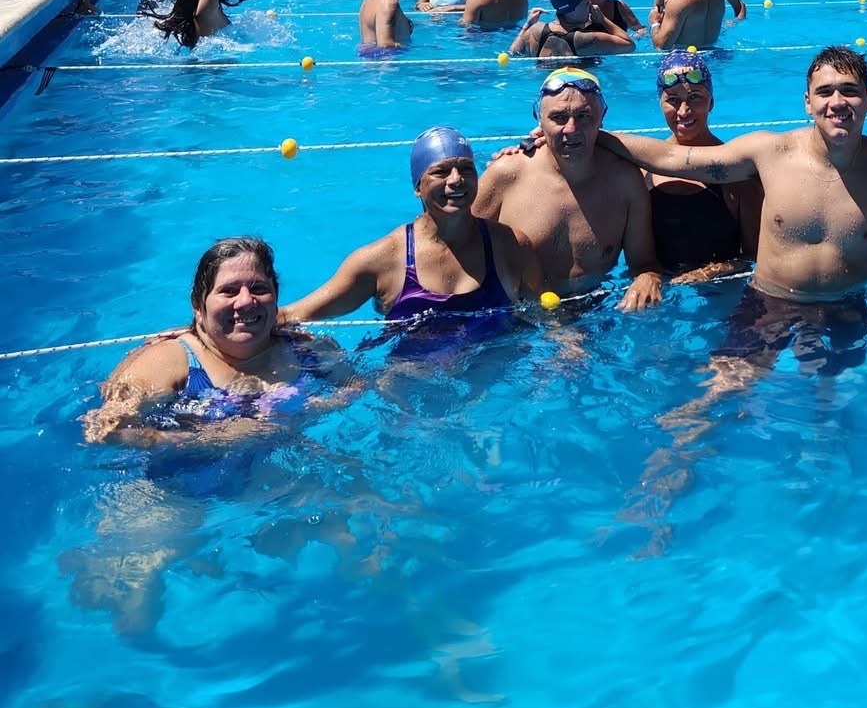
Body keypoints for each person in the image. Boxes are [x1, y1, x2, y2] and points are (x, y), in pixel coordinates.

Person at [600, 47, 867, 373]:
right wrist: (591, 134)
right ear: (807, 102)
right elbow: (673, 157)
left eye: (849, 91)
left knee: (835, 399)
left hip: (849, 305)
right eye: (825, 92)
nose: (837, 102)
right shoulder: (770, 153)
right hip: (769, 303)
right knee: (718, 394)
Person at [83, 237, 340, 440]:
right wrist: (214, 439)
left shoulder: (310, 350)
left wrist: (313, 410)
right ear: (198, 306)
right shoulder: (168, 362)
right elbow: (103, 429)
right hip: (182, 482)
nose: (246, 301)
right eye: (229, 291)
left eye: (259, 289)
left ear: (276, 297)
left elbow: (355, 387)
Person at [284, 127, 525, 325]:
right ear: (418, 187)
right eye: (440, 172)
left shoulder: (509, 245)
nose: (456, 179)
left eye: (465, 168)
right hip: (412, 369)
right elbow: (294, 315)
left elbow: (542, 314)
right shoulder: (381, 260)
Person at [473, 68, 662, 309]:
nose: (571, 129)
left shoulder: (625, 181)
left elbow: (644, 264)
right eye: (559, 117)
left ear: (601, 117)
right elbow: (451, 247)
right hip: (518, 315)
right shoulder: (507, 175)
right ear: (539, 120)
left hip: (595, 308)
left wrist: (648, 279)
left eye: (584, 116)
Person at [647, 53, 762, 275]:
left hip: (720, 289)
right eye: (672, 100)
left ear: (711, 103)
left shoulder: (736, 173)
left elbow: (755, 256)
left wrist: (709, 273)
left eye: (695, 97)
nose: (683, 111)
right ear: (660, 103)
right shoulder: (644, 169)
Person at [511, 0, 635, 59]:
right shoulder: (588, 38)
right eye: (586, 3)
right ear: (572, 10)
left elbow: (513, 53)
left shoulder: (535, 30)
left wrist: (527, 25)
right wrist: (603, 19)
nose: (591, 6)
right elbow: (629, 46)